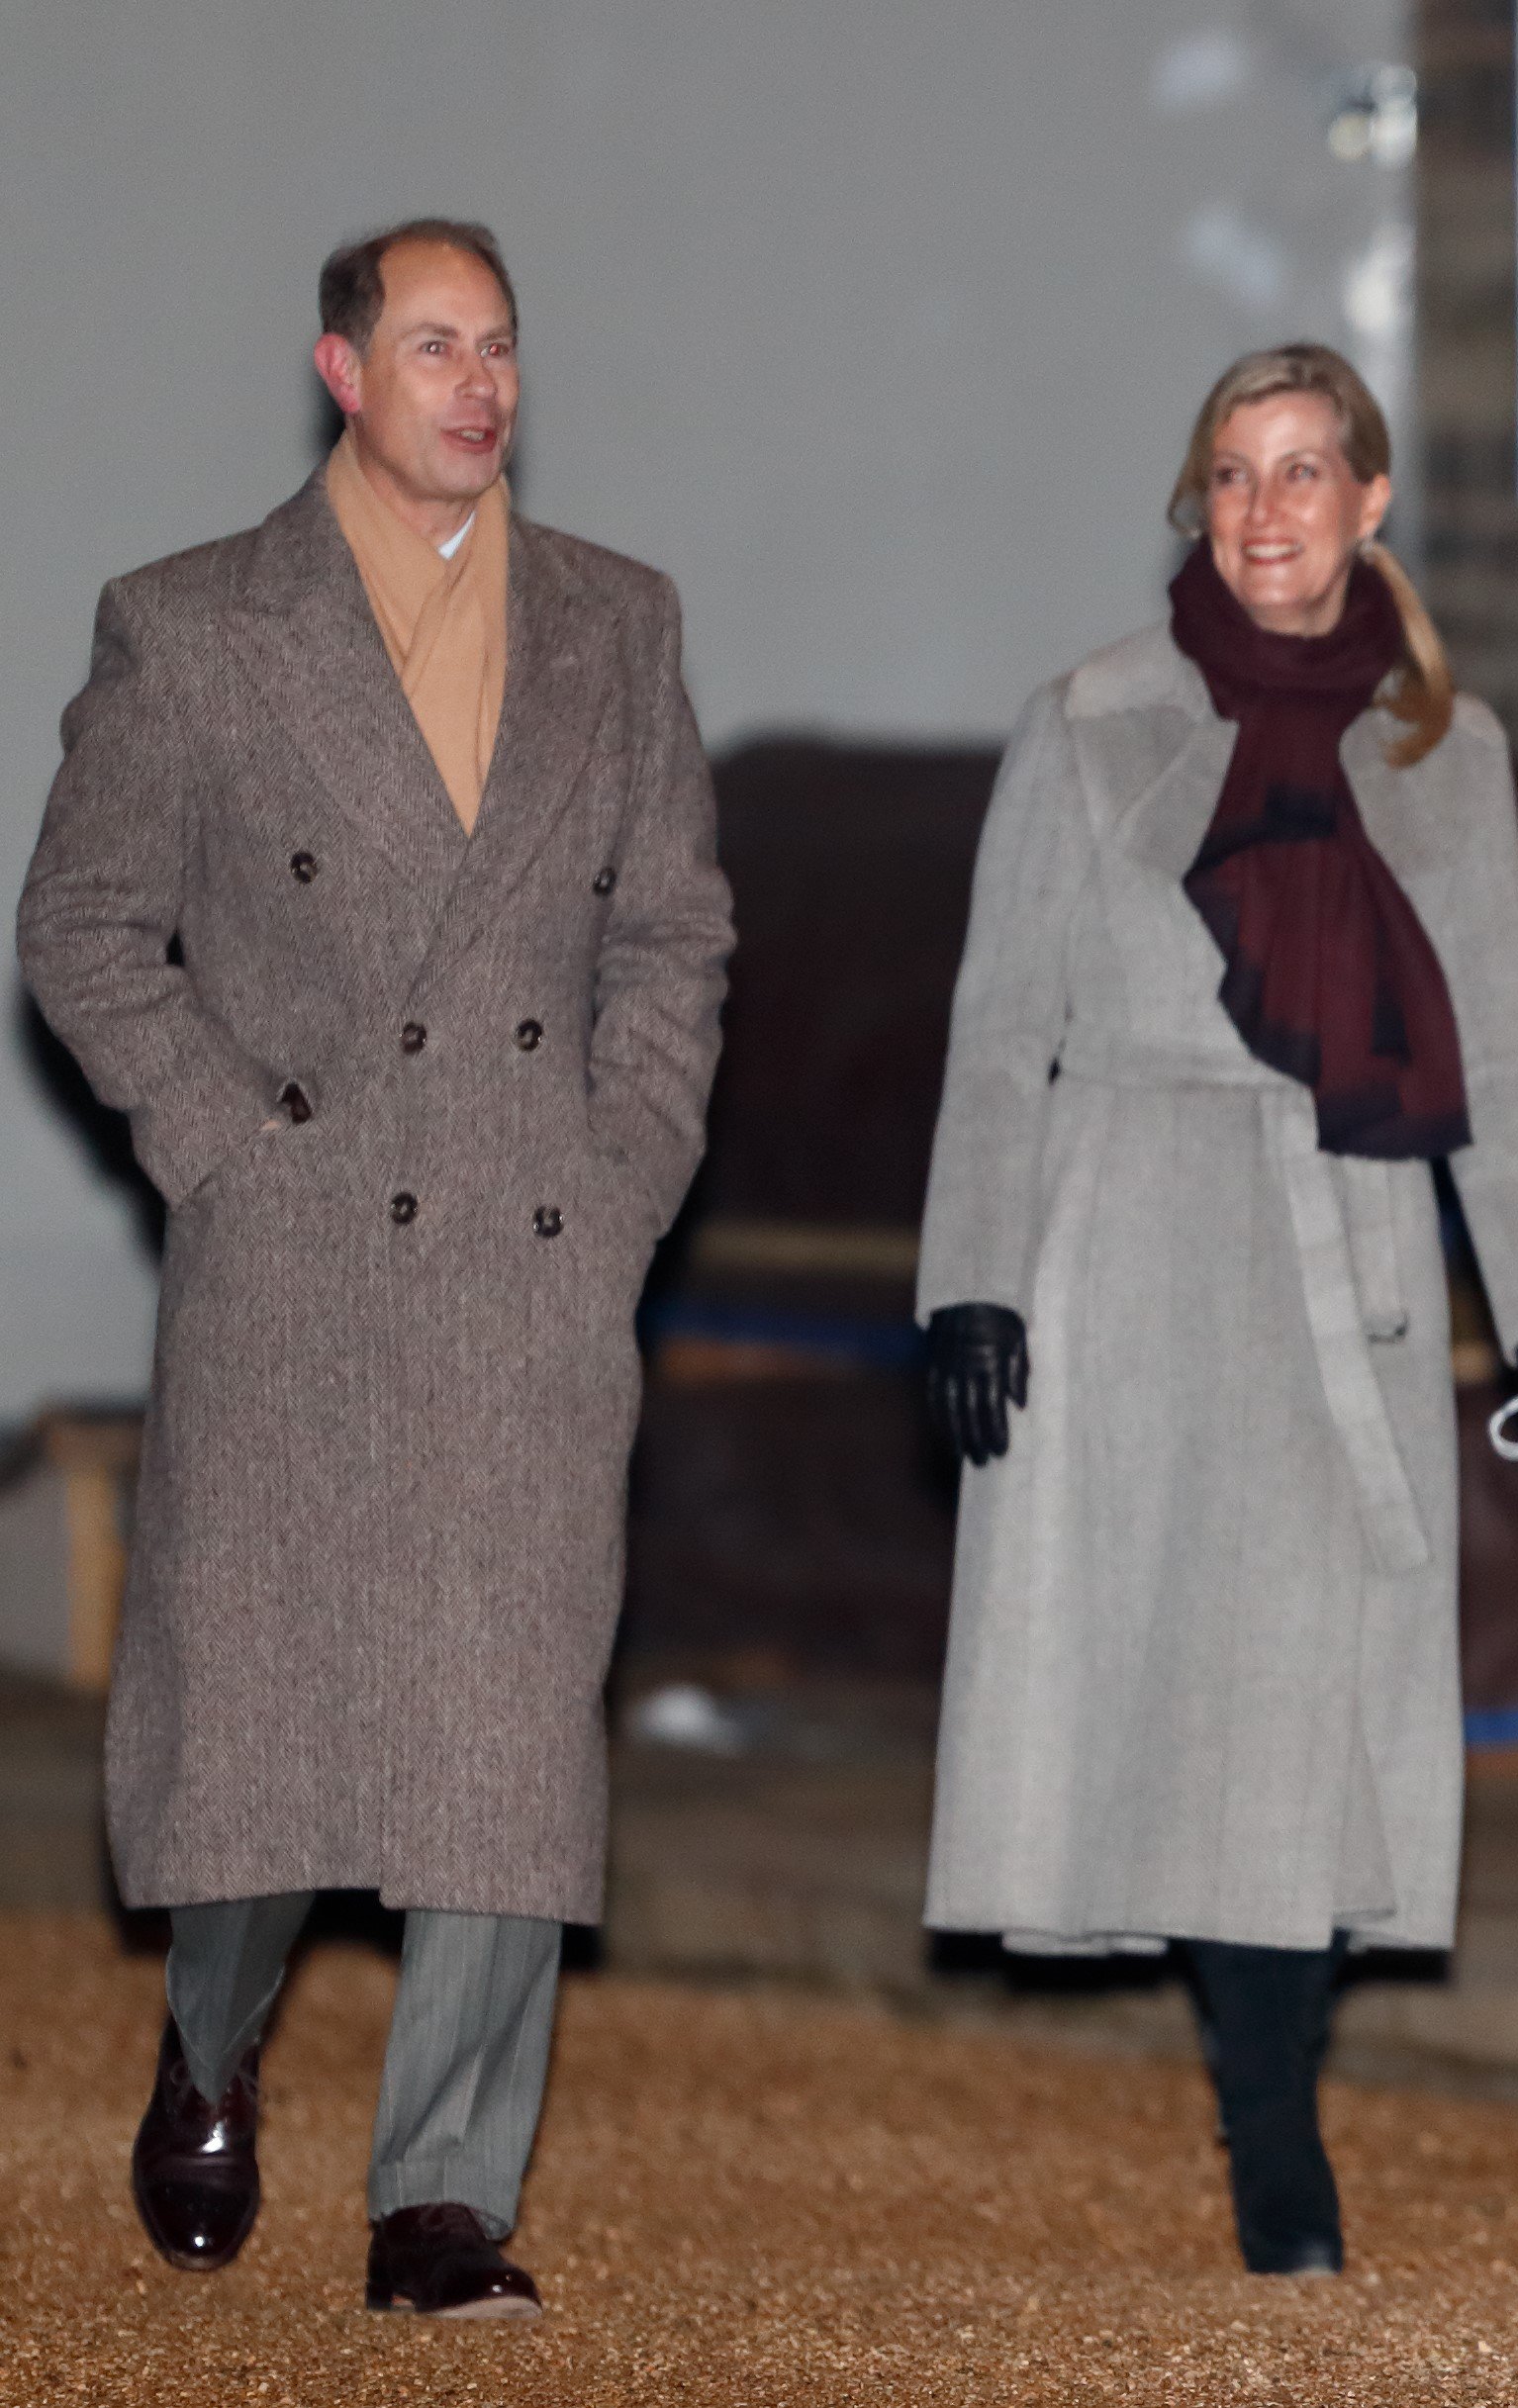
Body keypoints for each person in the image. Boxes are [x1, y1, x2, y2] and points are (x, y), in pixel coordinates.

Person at [17, 221, 732, 2319]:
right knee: (258, 1733)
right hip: (300, 1244)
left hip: (528, 1242)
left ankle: (441, 2193)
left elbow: (671, 934)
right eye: (432, 345)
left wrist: (622, 1175)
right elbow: (80, 924)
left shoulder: (617, 621)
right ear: (342, 371)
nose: (475, 382)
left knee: (503, 1739)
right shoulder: (195, 628)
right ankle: (211, 2031)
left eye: (498, 345)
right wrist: (223, 1140)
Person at [913, 343, 1518, 2276]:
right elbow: (999, 1029)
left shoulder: (1440, 753)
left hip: (1347, 1250)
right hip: (1126, 1246)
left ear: (1370, 503)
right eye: (1233, 472)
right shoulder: (1087, 722)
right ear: (1197, 501)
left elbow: (1511, 1060)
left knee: (1297, 1709)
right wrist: (966, 1279)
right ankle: (1263, 2106)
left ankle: (1272, 2110)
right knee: (1183, 1703)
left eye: (1304, 471)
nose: (1267, 508)